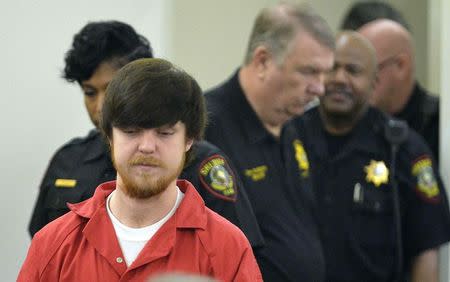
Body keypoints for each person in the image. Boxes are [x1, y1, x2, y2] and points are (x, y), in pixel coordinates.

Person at [18, 58, 262, 281]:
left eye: (165, 133)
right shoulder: (54, 243)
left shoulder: (227, 248)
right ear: (109, 135)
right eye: (131, 131)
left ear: (190, 139)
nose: (146, 147)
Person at [294, 31, 450, 282]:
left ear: (374, 82)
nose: (339, 79)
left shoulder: (403, 149)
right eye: (332, 68)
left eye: (353, 71)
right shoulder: (290, 137)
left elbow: (425, 251)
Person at [204, 3, 334, 281]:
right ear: (262, 61)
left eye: (324, 74)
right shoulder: (206, 127)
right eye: (309, 71)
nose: (320, 88)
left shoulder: (296, 125)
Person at [341, 2, 440, 161]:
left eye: (361, 70)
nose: (351, 84)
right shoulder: (346, 124)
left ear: (401, 65)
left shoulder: (440, 125)